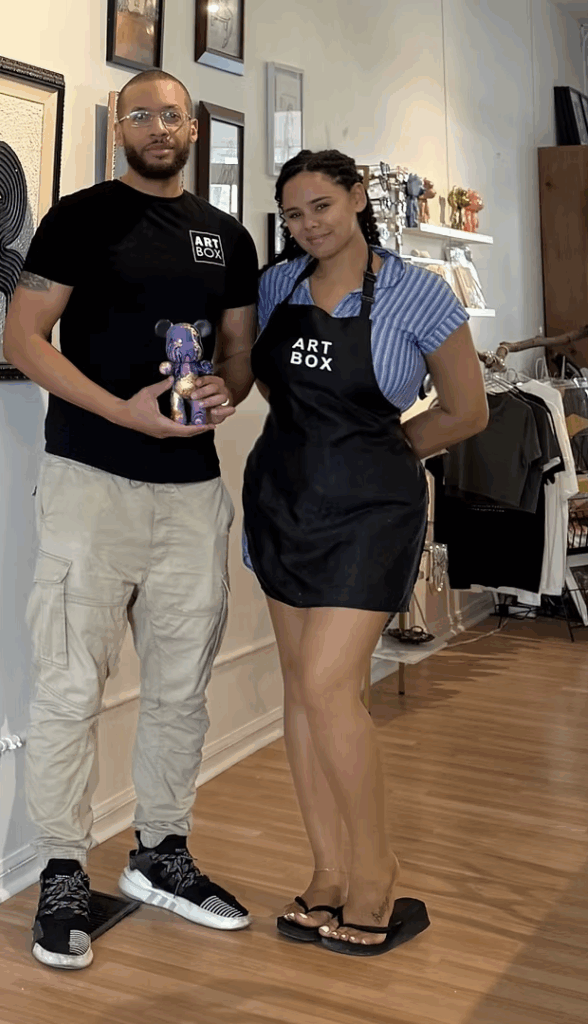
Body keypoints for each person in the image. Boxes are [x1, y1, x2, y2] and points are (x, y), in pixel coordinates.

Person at [3, 70, 258, 970]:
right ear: (119, 127)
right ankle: (62, 867)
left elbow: (237, 353)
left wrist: (227, 391)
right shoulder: (79, 218)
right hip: (90, 481)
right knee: (69, 685)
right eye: (141, 113)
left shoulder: (228, 236)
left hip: (191, 492)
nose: (158, 126)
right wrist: (122, 412)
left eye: (172, 114)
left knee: (182, 688)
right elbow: (22, 338)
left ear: (193, 129)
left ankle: (161, 852)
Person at [242, 149, 488, 956]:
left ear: (356, 198)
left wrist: (380, 452)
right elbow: (274, 386)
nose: (308, 225)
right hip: (282, 499)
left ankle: (376, 874)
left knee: (327, 684)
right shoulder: (277, 286)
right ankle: (328, 873)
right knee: (301, 690)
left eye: (321, 205)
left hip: (372, 511)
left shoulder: (419, 293)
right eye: (293, 214)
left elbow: (468, 410)